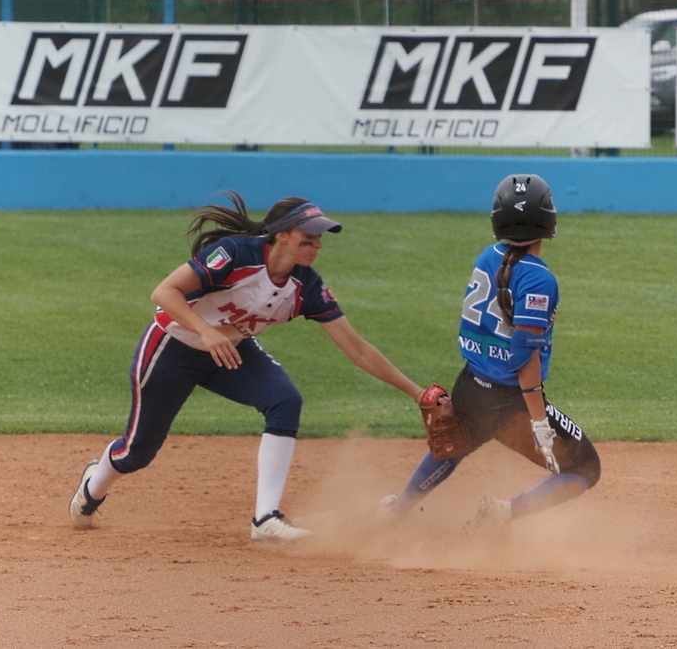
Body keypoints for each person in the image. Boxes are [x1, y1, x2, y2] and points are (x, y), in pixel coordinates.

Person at [69, 191, 426, 542]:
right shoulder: (236, 255)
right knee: (136, 453)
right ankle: (93, 486)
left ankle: (266, 519)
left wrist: (417, 393)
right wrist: (206, 332)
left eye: (320, 238)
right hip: (172, 347)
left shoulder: (307, 286)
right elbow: (164, 293)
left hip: (232, 353)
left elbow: (358, 349)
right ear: (282, 235)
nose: (317, 245)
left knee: (285, 400)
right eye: (308, 237)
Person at [379, 174, 600, 531]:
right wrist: (539, 421)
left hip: (469, 385)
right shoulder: (539, 278)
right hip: (511, 403)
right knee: (586, 469)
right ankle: (503, 514)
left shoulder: (487, 256)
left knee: (456, 444)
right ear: (548, 221)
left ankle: (398, 510)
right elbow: (524, 356)